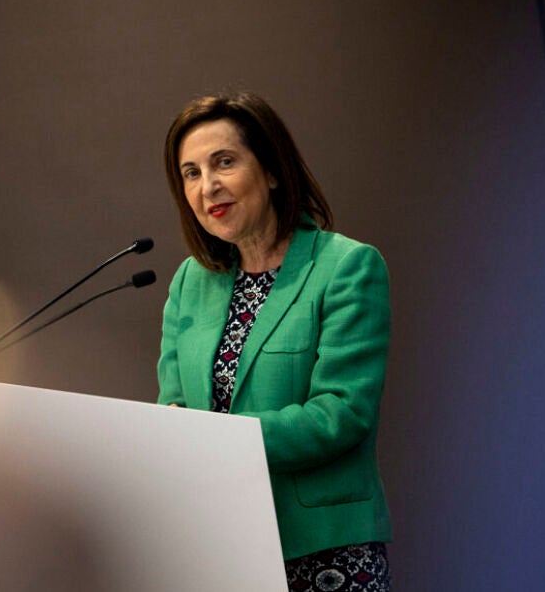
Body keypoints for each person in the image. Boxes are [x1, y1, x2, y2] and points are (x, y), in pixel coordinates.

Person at [157, 91, 393, 591]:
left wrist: (216, 440)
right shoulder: (189, 282)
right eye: (191, 173)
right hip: (223, 547)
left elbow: (341, 414)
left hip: (323, 549)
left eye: (224, 162)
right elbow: (172, 409)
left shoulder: (347, 267)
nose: (208, 186)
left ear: (271, 170)